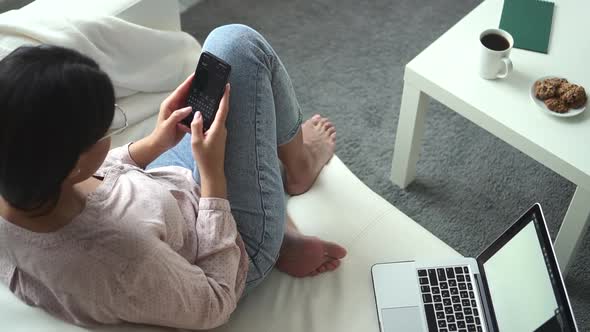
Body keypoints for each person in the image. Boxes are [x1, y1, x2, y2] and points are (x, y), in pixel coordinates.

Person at [0, 24, 346, 330]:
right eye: (106, 126)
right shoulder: (123, 260)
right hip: (224, 247)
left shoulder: (21, 181)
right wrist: (213, 180)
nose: (111, 131)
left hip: (161, 191)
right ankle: (295, 175)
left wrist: (153, 144)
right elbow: (214, 303)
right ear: (70, 165)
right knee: (238, 44)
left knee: (219, 79)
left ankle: (275, 222)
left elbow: (97, 180)